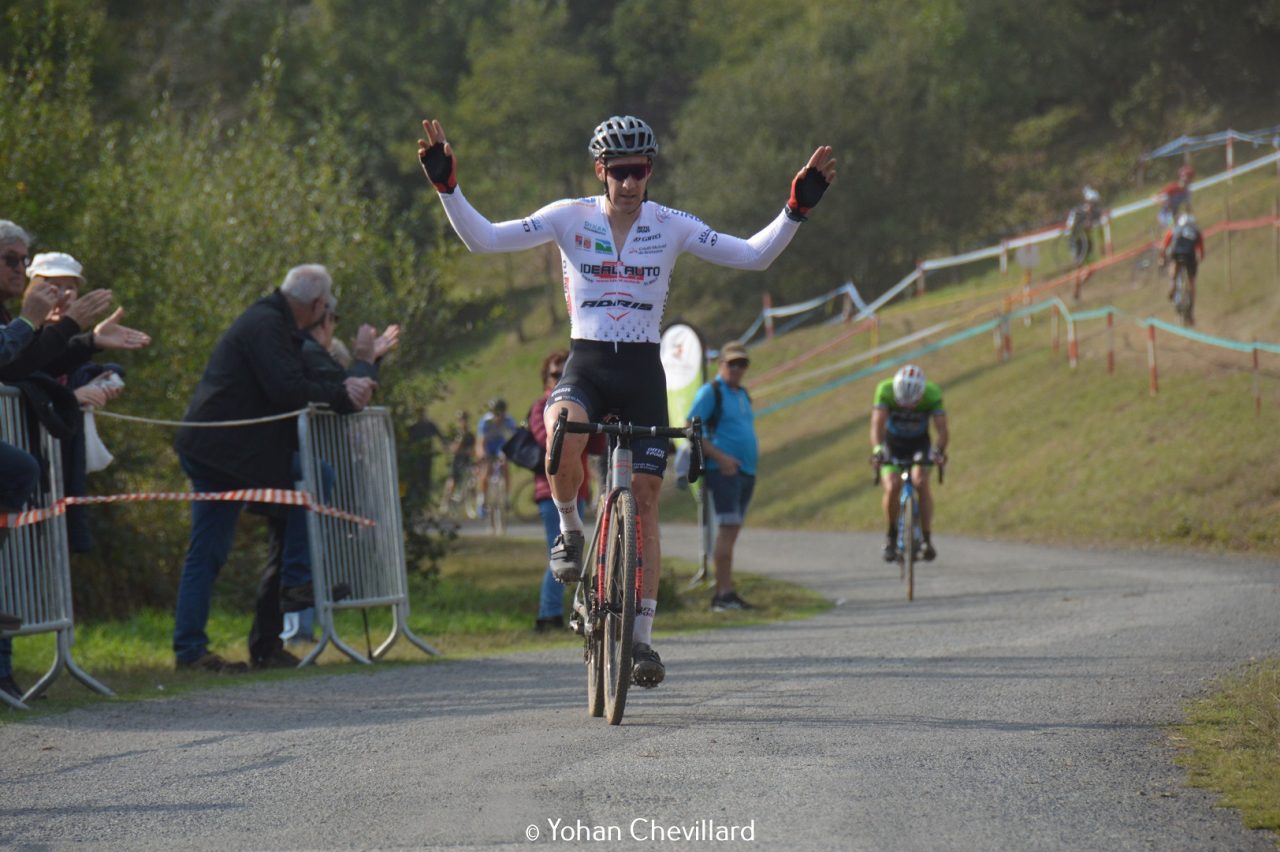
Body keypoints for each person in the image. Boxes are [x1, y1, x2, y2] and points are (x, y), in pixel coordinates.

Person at [419, 113, 835, 687]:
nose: (631, 182)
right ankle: (569, 531)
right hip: (586, 363)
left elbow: (752, 255)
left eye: (640, 170)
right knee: (560, 428)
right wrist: (448, 187)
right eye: (620, 172)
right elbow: (483, 238)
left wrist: (796, 210)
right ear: (601, 171)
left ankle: (642, 640)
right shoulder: (569, 217)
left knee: (644, 501)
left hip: (642, 370)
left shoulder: (672, 225)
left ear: (650, 172)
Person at [171, 264, 376, 673]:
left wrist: (353, 378)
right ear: (318, 304)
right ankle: (289, 588)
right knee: (315, 478)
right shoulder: (266, 324)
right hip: (221, 453)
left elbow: (312, 377)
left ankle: (263, 644)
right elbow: (286, 389)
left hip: (239, 451)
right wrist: (342, 391)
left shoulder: (278, 325)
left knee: (272, 534)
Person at [263, 296, 398, 648]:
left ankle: (283, 637)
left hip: (308, 468)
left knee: (300, 544)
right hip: (291, 464)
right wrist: (365, 361)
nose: (334, 326)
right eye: (333, 318)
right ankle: (291, 631)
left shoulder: (304, 348)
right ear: (322, 319)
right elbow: (345, 396)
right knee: (298, 544)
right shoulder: (306, 350)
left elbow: (345, 392)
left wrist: (371, 361)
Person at [528, 350, 604, 632]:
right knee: (559, 551)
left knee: (574, 553)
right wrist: (568, 420)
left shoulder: (584, 405)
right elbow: (545, 438)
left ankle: (573, 610)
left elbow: (597, 447)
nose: (560, 379)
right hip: (550, 493)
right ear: (545, 378)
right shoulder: (540, 406)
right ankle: (548, 615)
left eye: (565, 374)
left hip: (579, 489)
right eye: (554, 375)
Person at [687, 341, 758, 612]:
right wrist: (720, 457)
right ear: (721, 365)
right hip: (725, 472)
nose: (738, 369)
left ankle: (727, 590)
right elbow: (691, 427)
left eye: (743, 364)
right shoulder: (710, 392)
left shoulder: (741, 394)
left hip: (745, 471)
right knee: (727, 532)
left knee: (732, 532)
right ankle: (722, 594)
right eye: (733, 363)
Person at [871, 364, 948, 563]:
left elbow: (942, 430)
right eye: (902, 403)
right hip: (892, 444)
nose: (906, 407)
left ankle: (926, 538)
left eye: (912, 404)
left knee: (920, 481)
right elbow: (877, 425)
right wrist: (878, 450)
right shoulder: (885, 390)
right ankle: (891, 536)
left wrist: (939, 451)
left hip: (919, 444)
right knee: (893, 486)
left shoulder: (932, 393)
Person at [1159, 212, 1205, 325]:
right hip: (1190, 257)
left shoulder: (1174, 230)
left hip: (1177, 255)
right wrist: (1199, 260)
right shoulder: (1196, 232)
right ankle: (1191, 308)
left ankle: (1173, 285)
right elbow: (1201, 252)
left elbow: (1164, 246)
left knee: (1174, 266)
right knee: (1192, 282)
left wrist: (1161, 259)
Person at [475, 397, 516, 517]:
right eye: (496, 413)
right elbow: (480, 443)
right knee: (486, 470)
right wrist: (482, 454)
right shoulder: (486, 422)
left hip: (500, 444)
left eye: (501, 413)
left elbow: (514, 437)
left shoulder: (508, 420)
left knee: (505, 466)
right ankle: (482, 501)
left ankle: (507, 498)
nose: (499, 416)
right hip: (488, 445)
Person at [1065, 186, 1104, 300]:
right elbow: (1070, 227)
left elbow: (1099, 225)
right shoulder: (1077, 212)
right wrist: (1082, 226)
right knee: (1079, 267)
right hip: (1077, 243)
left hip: (1088, 243)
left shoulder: (1095, 213)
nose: (1094, 206)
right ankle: (1076, 292)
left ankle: (1077, 286)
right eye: (1092, 203)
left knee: (1092, 268)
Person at [441, 410, 476, 516]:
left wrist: (468, 452)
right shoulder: (455, 434)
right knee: (452, 482)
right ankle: (445, 503)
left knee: (472, 480)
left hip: (467, 462)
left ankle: (468, 504)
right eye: (461, 420)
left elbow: (473, 451)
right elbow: (453, 449)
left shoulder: (470, 435)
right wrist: (459, 442)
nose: (463, 422)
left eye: (464, 419)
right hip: (457, 461)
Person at [1156, 164, 1194, 228]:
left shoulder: (1187, 191)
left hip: (1175, 213)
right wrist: (1163, 201)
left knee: (1189, 223)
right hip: (1166, 214)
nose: (1187, 181)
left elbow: (1188, 207)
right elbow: (1156, 197)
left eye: (1189, 179)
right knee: (1171, 228)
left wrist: (1187, 217)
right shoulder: (1172, 188)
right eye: (1186, 179)